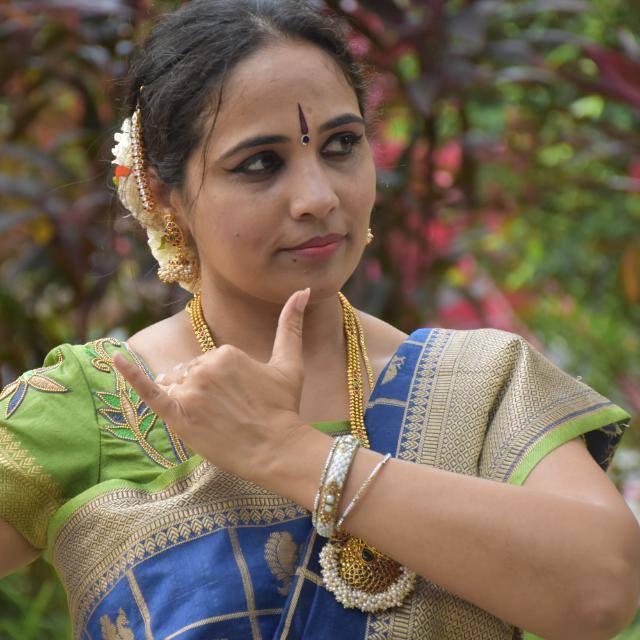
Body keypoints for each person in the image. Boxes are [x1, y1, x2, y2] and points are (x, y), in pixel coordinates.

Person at [0, 1, 638, 638]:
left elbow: (603, 591)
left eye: (341, 146)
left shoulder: (479, 387)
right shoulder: (91, 402)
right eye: (259, 163)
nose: (319, 198)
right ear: (165, 195)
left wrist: (289, 453)